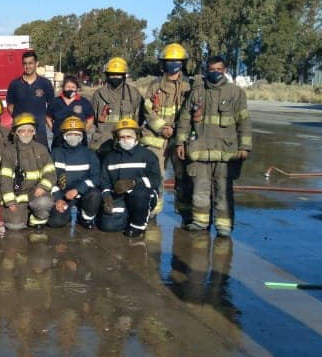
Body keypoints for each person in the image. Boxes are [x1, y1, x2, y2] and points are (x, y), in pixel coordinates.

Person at [175, 56, 251, 237]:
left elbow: (244, 122)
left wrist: (245, 147)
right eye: (211, 69)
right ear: (206, 70)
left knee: (223, 192)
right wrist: (180, 142)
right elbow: (185, 119)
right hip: (199, 151)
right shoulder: (197, 92)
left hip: (226, 153)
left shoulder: (236, 93)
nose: (215, 72)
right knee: (200, 189)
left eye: (219, 69)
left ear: (225, 70)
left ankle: (224, 226)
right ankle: (200, 222)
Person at [142, 43, 193, 221]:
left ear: (183, 63)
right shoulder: (154, 86)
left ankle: (185, 211)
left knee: (184, 177)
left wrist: (177, 130)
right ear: (163, 63)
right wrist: (162, 127)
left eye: (176, 61)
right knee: (156, 176)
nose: (173, 64)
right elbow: (148, 110)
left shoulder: (190, 86)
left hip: (180, 138)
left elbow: (191, 112)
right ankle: (154, 211)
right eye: (169, 61)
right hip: (157, 138)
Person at [100, 118, 161, 238]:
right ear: (117, 138)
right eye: (122, 137)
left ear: (136, 137)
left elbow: (155, 180)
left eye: (129, 136)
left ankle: (138, 225)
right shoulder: (110, 157)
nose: (125, 140)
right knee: (108, 226)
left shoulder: (148, 155)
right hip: (119, 196)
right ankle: (125, 215)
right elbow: (104, 181)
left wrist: (133, 183)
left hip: (143, 195)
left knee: (141, 196)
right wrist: (106, 197)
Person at [0, 113, 56, 229]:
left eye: (30, 130)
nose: (26, 134)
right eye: (22, 131)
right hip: (17, 196)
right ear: (16, 132)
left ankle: (36, 219)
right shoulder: (9, 152)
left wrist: (43, 187)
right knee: (14, 226)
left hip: (36, 192)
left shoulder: (41, 149)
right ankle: (24, 213)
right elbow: (5, 179)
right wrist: (10, 201)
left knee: (44, 202)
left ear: (34, 132)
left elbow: (50, 172)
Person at [48, 116, 102, 229]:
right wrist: (58, 198)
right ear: (64, 136)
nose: (73, 137)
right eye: (70, 134)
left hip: (83, 194)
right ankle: (70, 211)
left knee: (95, 194)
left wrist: (78, 190)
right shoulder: (55, 153)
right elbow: (49, 178)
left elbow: (96, 178)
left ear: (82, 136)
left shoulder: (89, 153)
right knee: (55, 222)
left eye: (77, 134)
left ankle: (86, 217)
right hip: (64, 195)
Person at [90, 57, 143, 154]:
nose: (115, 77)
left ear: (124, 75)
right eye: (112, 74)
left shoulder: (134, 93)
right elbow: (92, 119)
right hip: (103, 143)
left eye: (118, 75)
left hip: (126, 142)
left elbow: (139, 118)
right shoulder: (98, 94)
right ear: (107, 75)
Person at [6, 51, 54, 146]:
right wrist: (19, 120)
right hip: (21, 131)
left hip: (39, 131)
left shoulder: (45, 83)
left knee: (42, 158)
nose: (27, 66)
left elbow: (51, 106)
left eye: (30, 63)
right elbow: (10, 106)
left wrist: (46, 121)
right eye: (25, 63)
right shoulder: (14, 84)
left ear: (37, 64)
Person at [47, 75, 94, 149]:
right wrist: (54, 130)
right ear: (63, 87)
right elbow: (48, 117)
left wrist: (83, 132)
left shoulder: (83, 102)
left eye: (73, 87)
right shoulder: (55, 101)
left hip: (79, 141)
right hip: (59, 141)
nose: (70, 89)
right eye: (68, 87)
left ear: (77, 88)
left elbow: (90, 119)